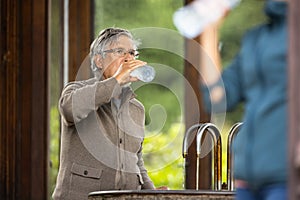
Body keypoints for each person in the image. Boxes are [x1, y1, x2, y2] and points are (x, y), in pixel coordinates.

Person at [52, 27, 160, 200]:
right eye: (119, 51)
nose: (128, 58)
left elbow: (136, 162)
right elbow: (70, 110)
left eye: (132, 53)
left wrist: (154, 194)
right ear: (99, 60)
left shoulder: (136, 108)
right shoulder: (75, 90)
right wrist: (116, 80)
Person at [200, 0, 288, 199]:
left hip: (287, 179)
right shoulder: (255, 39)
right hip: (248, 181)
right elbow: (218, 98)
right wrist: (209, 30)